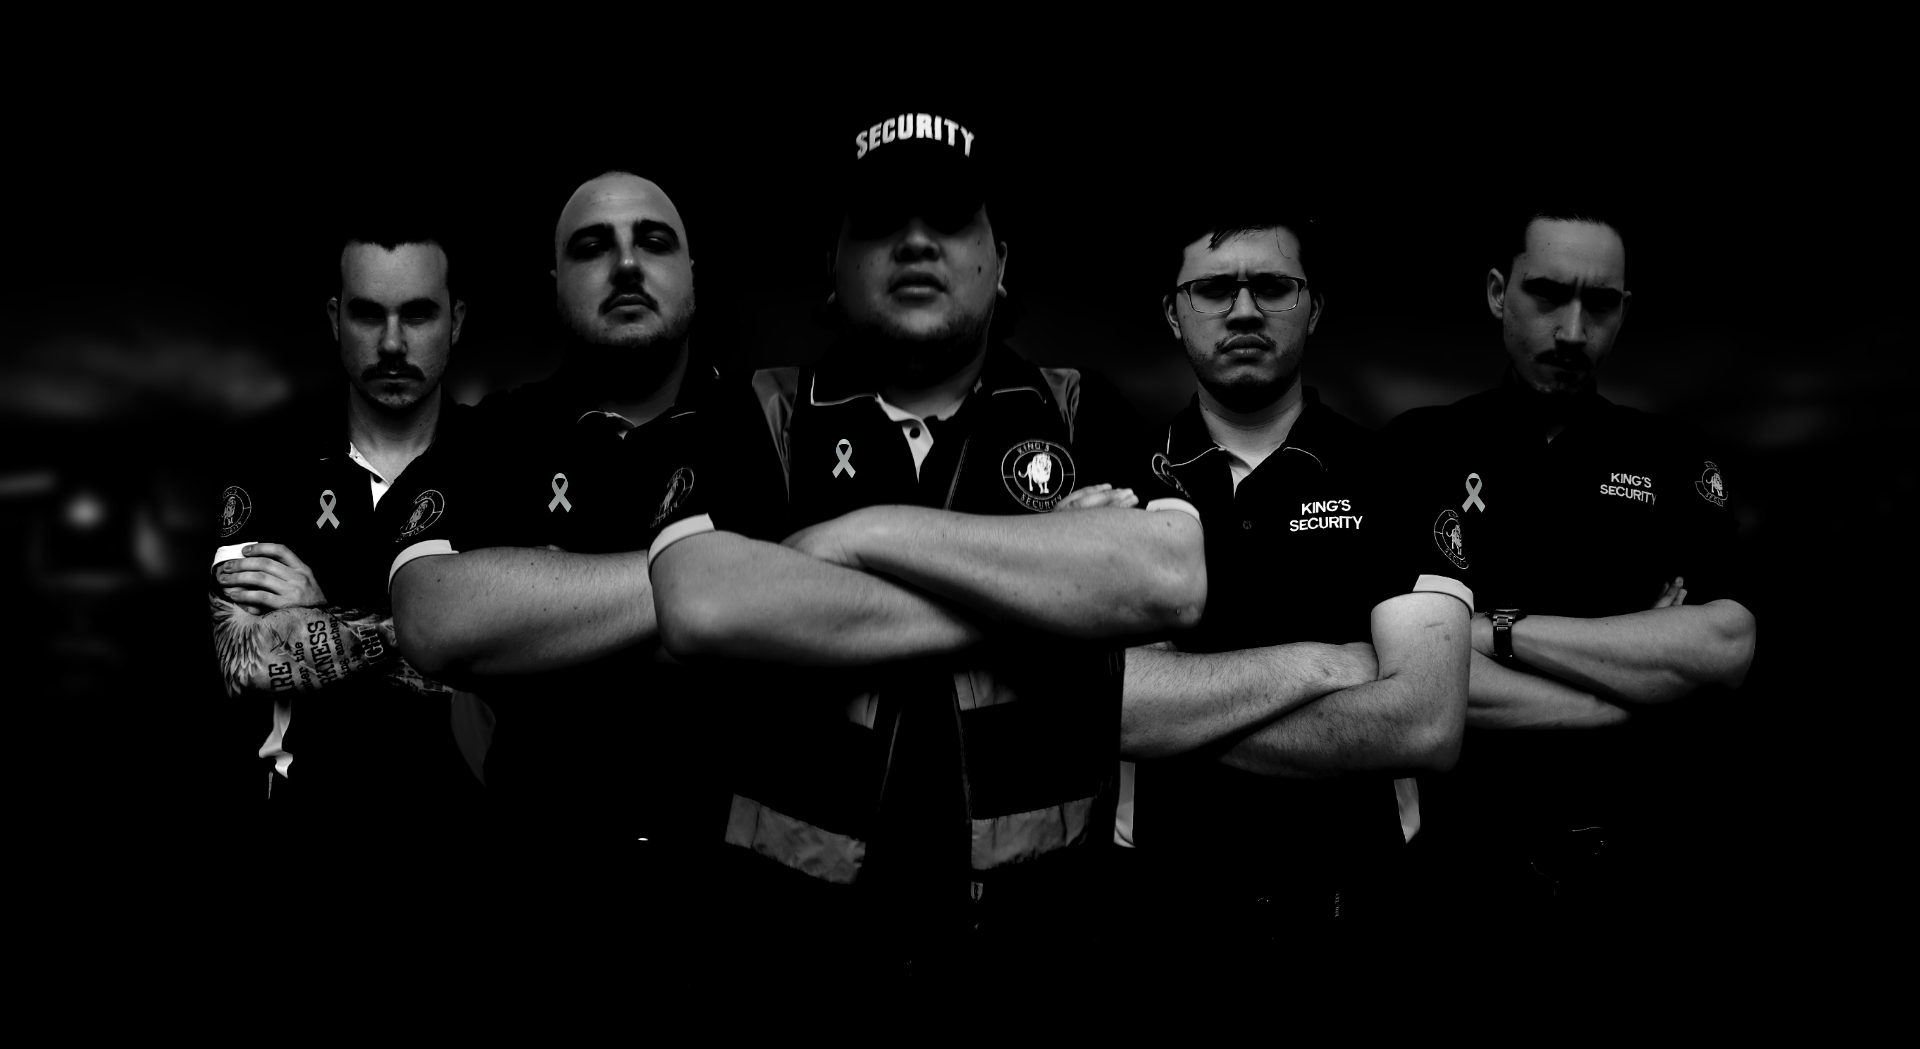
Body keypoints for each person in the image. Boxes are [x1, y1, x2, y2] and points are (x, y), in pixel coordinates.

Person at [645, 109, 1208, 978]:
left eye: (948, 221)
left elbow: (1167, 578)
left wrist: (854, 537)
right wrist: (1046, 591)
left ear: (1002, 261)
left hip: (1043, 941)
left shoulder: (1079, 408)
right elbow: (702, 604)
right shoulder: (757, 408)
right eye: (879, 224)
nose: (915, 243)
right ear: (831, 268)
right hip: (783, 941)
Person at [1115, 212, 1473, 955]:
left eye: (1272, 286)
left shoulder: (1396, 475)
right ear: (1172, 315)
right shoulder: (1118, 482)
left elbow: (1426, 724)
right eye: (1214, 289)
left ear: (1314, 307)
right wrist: (1330, 665)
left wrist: (1178, 709)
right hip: (1160, 917)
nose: (1244, 309)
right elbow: (1105, 707)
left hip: (1356, 914)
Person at [1387, 206, 1757, 916]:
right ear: (1499, 293)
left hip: (1644, 867)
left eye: (1601, 303)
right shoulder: (1418, 448)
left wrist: (1493, 629)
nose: (1573, 331)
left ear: (1626, 312)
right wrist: (1635, 678)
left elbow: (1724, 645)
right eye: (1548, 294)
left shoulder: (1673, 456)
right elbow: (1407, 674)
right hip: (1460, 873)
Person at [388, 170, 724, 850]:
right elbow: (433, 615)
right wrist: (723, 581)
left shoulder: (767, 423)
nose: (626, 264)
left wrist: (543, 596)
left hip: (744, 886)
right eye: (593, 246)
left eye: (652, 242)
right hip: (539, 880)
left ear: (691, 271)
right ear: (555, 281)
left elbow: (819, 613)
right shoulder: (491, 437)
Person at [208, 215, 483, 842]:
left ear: (457, 321)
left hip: (474, 833)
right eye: (367, 315)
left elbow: (542, 661)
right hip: (305, 826)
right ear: (334, 319)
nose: (391, 344)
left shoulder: (506, 462)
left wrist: (321, 615)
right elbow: (243, 657)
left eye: (417, 315)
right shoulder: (270, 461)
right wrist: (458, 627)